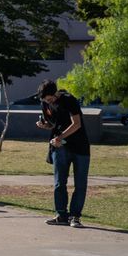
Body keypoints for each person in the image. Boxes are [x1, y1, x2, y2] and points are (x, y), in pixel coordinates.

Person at [38, 79, 89, 226]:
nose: (48, 102)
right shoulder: (44, 103)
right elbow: (53, 124)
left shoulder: (69, 100)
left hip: (80, 147)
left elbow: (76, 124)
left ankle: (75, 216)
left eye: (49, 99)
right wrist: (45, 125)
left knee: (80, 184)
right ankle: (61, 215)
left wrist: (60, 137)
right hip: (59, 147)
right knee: (59, 183)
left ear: (55, 93)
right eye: (45, 100)